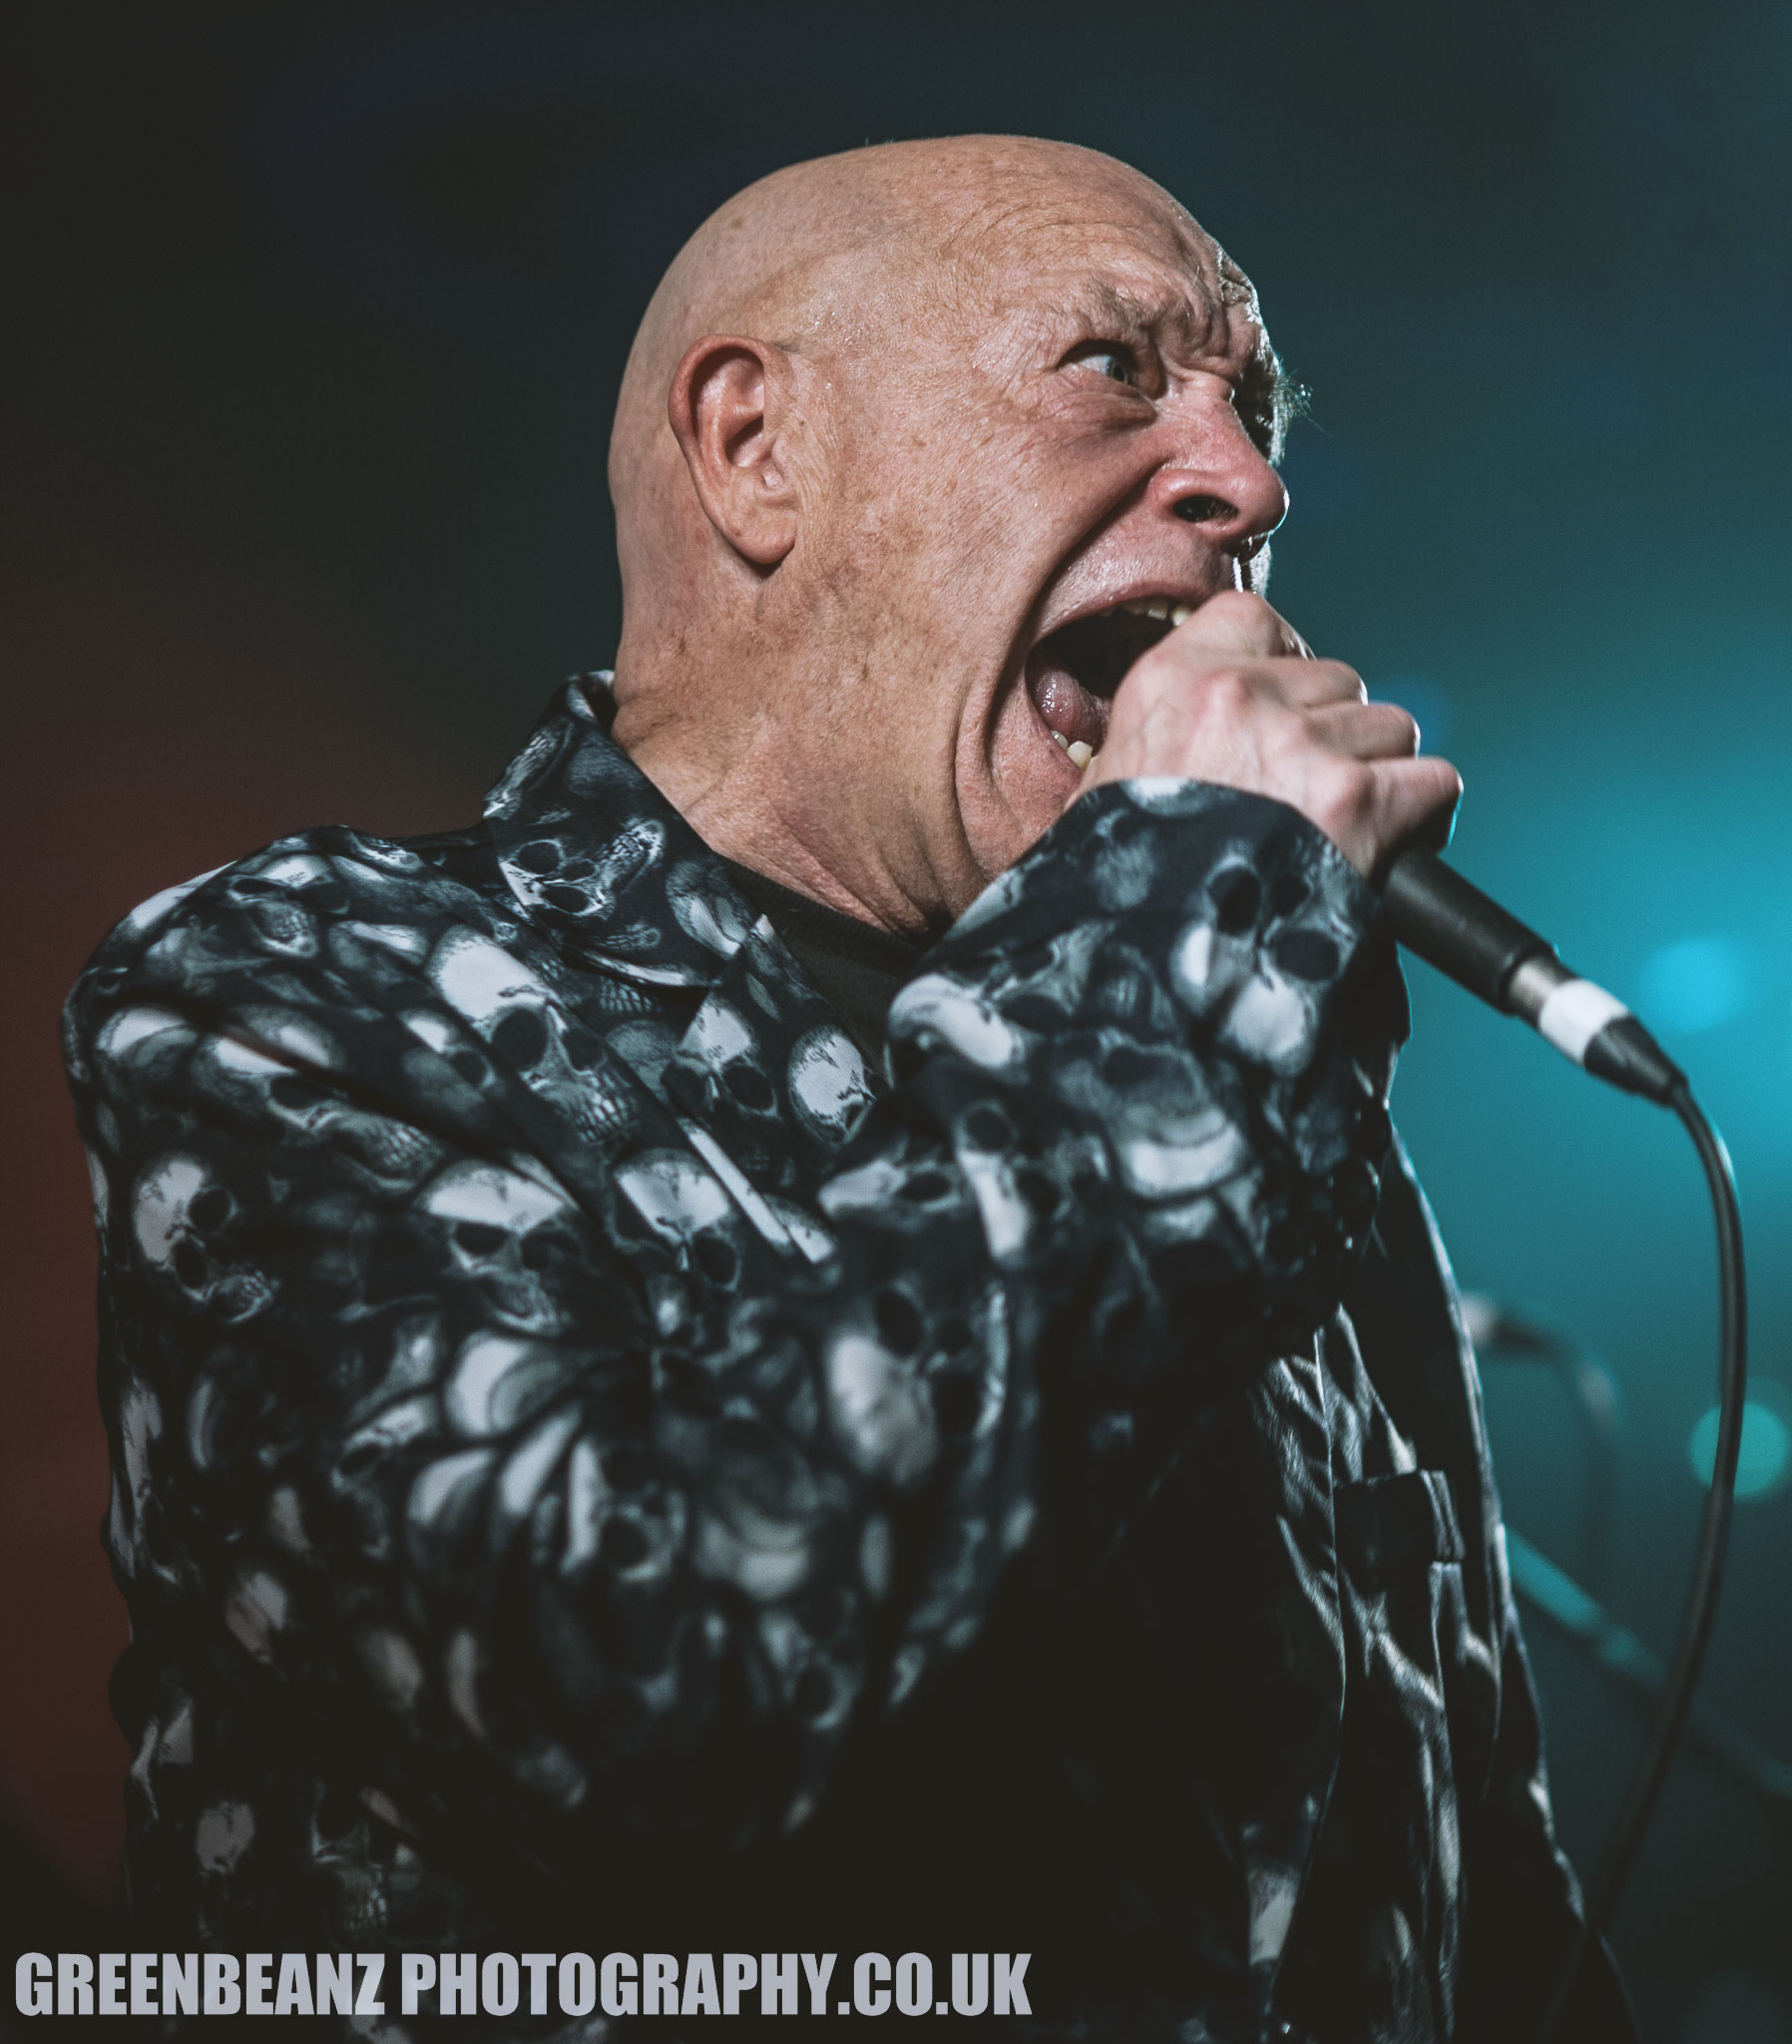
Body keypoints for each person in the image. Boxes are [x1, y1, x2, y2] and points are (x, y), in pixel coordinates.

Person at [64, 136, 1636, 2040]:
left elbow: (1493, 1912)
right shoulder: (305, 986)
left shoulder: (1251, 1087)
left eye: (1253, 404)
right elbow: (633, 1676)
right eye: (1116, 369)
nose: (1247, 480)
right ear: (755, 450)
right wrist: (1167, 935)